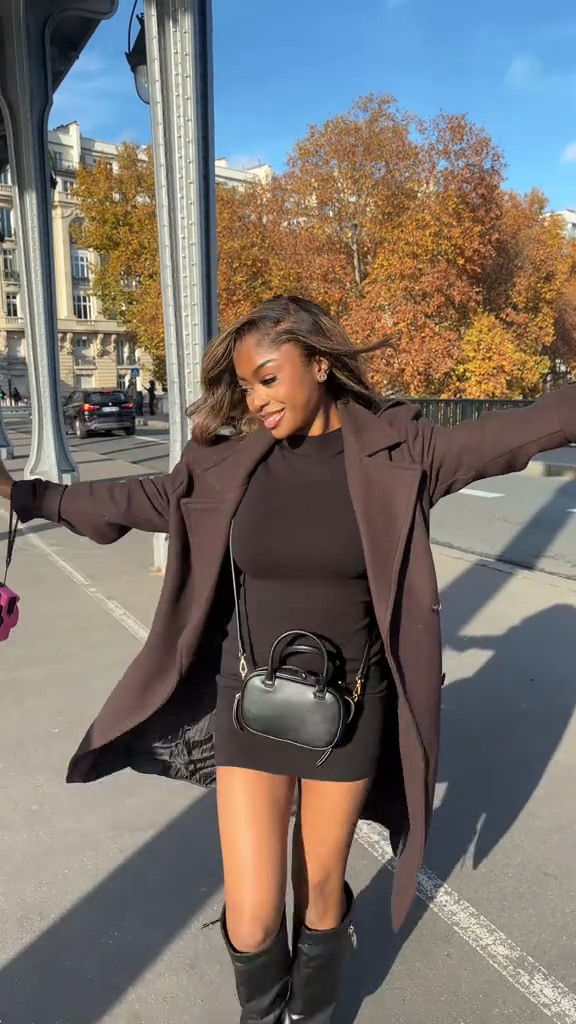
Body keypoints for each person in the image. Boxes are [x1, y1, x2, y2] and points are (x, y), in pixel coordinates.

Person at [0, 294, 575, 1023]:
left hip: (350, 711)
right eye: (246, 386)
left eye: (268, 379)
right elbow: (139, 499)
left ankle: (312, 1010)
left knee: (321, 891)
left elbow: (529, 429)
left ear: (321, 364)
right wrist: (28, 494)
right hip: (249, 702)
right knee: (250, 913)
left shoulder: (402, 453)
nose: (255, 400)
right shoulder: (228, 464)